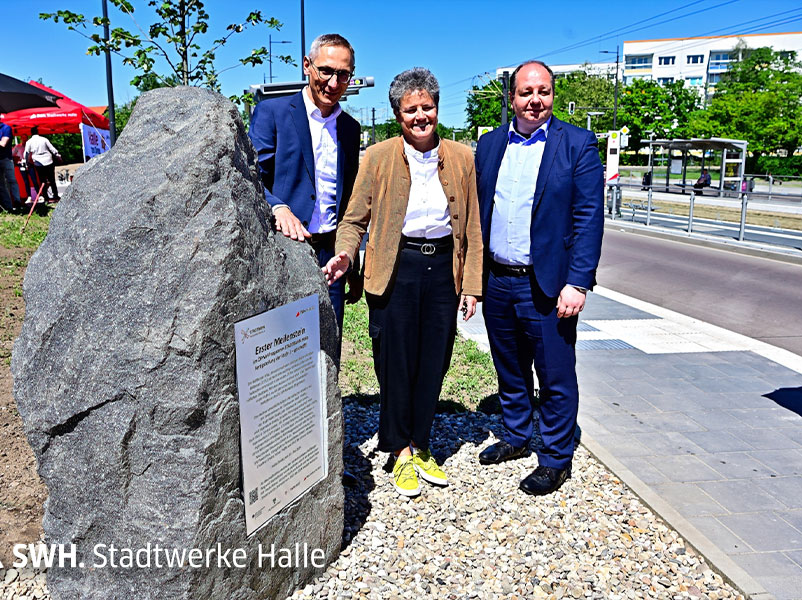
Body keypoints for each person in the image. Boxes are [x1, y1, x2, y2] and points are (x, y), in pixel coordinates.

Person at [323, 68, 483, 497]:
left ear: (437, 108)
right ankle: (398, 451)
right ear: (397, 113)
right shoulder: (377, 156)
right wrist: (345, 253)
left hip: (443, 267)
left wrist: (471, 285)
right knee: (394, 361)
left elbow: (473, 228)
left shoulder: (463, 157)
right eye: (410, 110)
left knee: (435, 360)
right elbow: (354, 217)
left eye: (426, 107)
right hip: (397, 267)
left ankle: (421, 442)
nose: (420, 116)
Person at [475, 61, 604, 496]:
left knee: (555, 375)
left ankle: (554, 458)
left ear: (552, 94)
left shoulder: (578, 145)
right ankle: (515, 436)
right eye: (526, 92)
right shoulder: (491, 145)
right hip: (498, 280)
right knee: (509, 367)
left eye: (544, 92)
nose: (535, 100)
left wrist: (579, 282)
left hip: (548, 285)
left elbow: (588, 218)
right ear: (511, 97)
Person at [249, 33, 362, 344]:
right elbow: (250, 175)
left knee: (329, 341)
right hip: (285, 247)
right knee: (284, 345)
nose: (334, 82)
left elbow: (351, 198)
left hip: (331, 254)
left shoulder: (351, 129)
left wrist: (353, 263)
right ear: (307, 66)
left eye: (343, 74)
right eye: (326, 70)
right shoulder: (272, 113)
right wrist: (277, 206)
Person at [24, 127, 61, 201]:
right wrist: (58, 156)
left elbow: (26, 153)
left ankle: (46, 197)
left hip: (38, 163)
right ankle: (56, 195)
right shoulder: (44, 139)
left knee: (42, 180)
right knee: (52, 179)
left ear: (31, 133)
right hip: (48, 160)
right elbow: (52, 149)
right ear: (38, 132)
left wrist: (26, 163)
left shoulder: (29, 142)